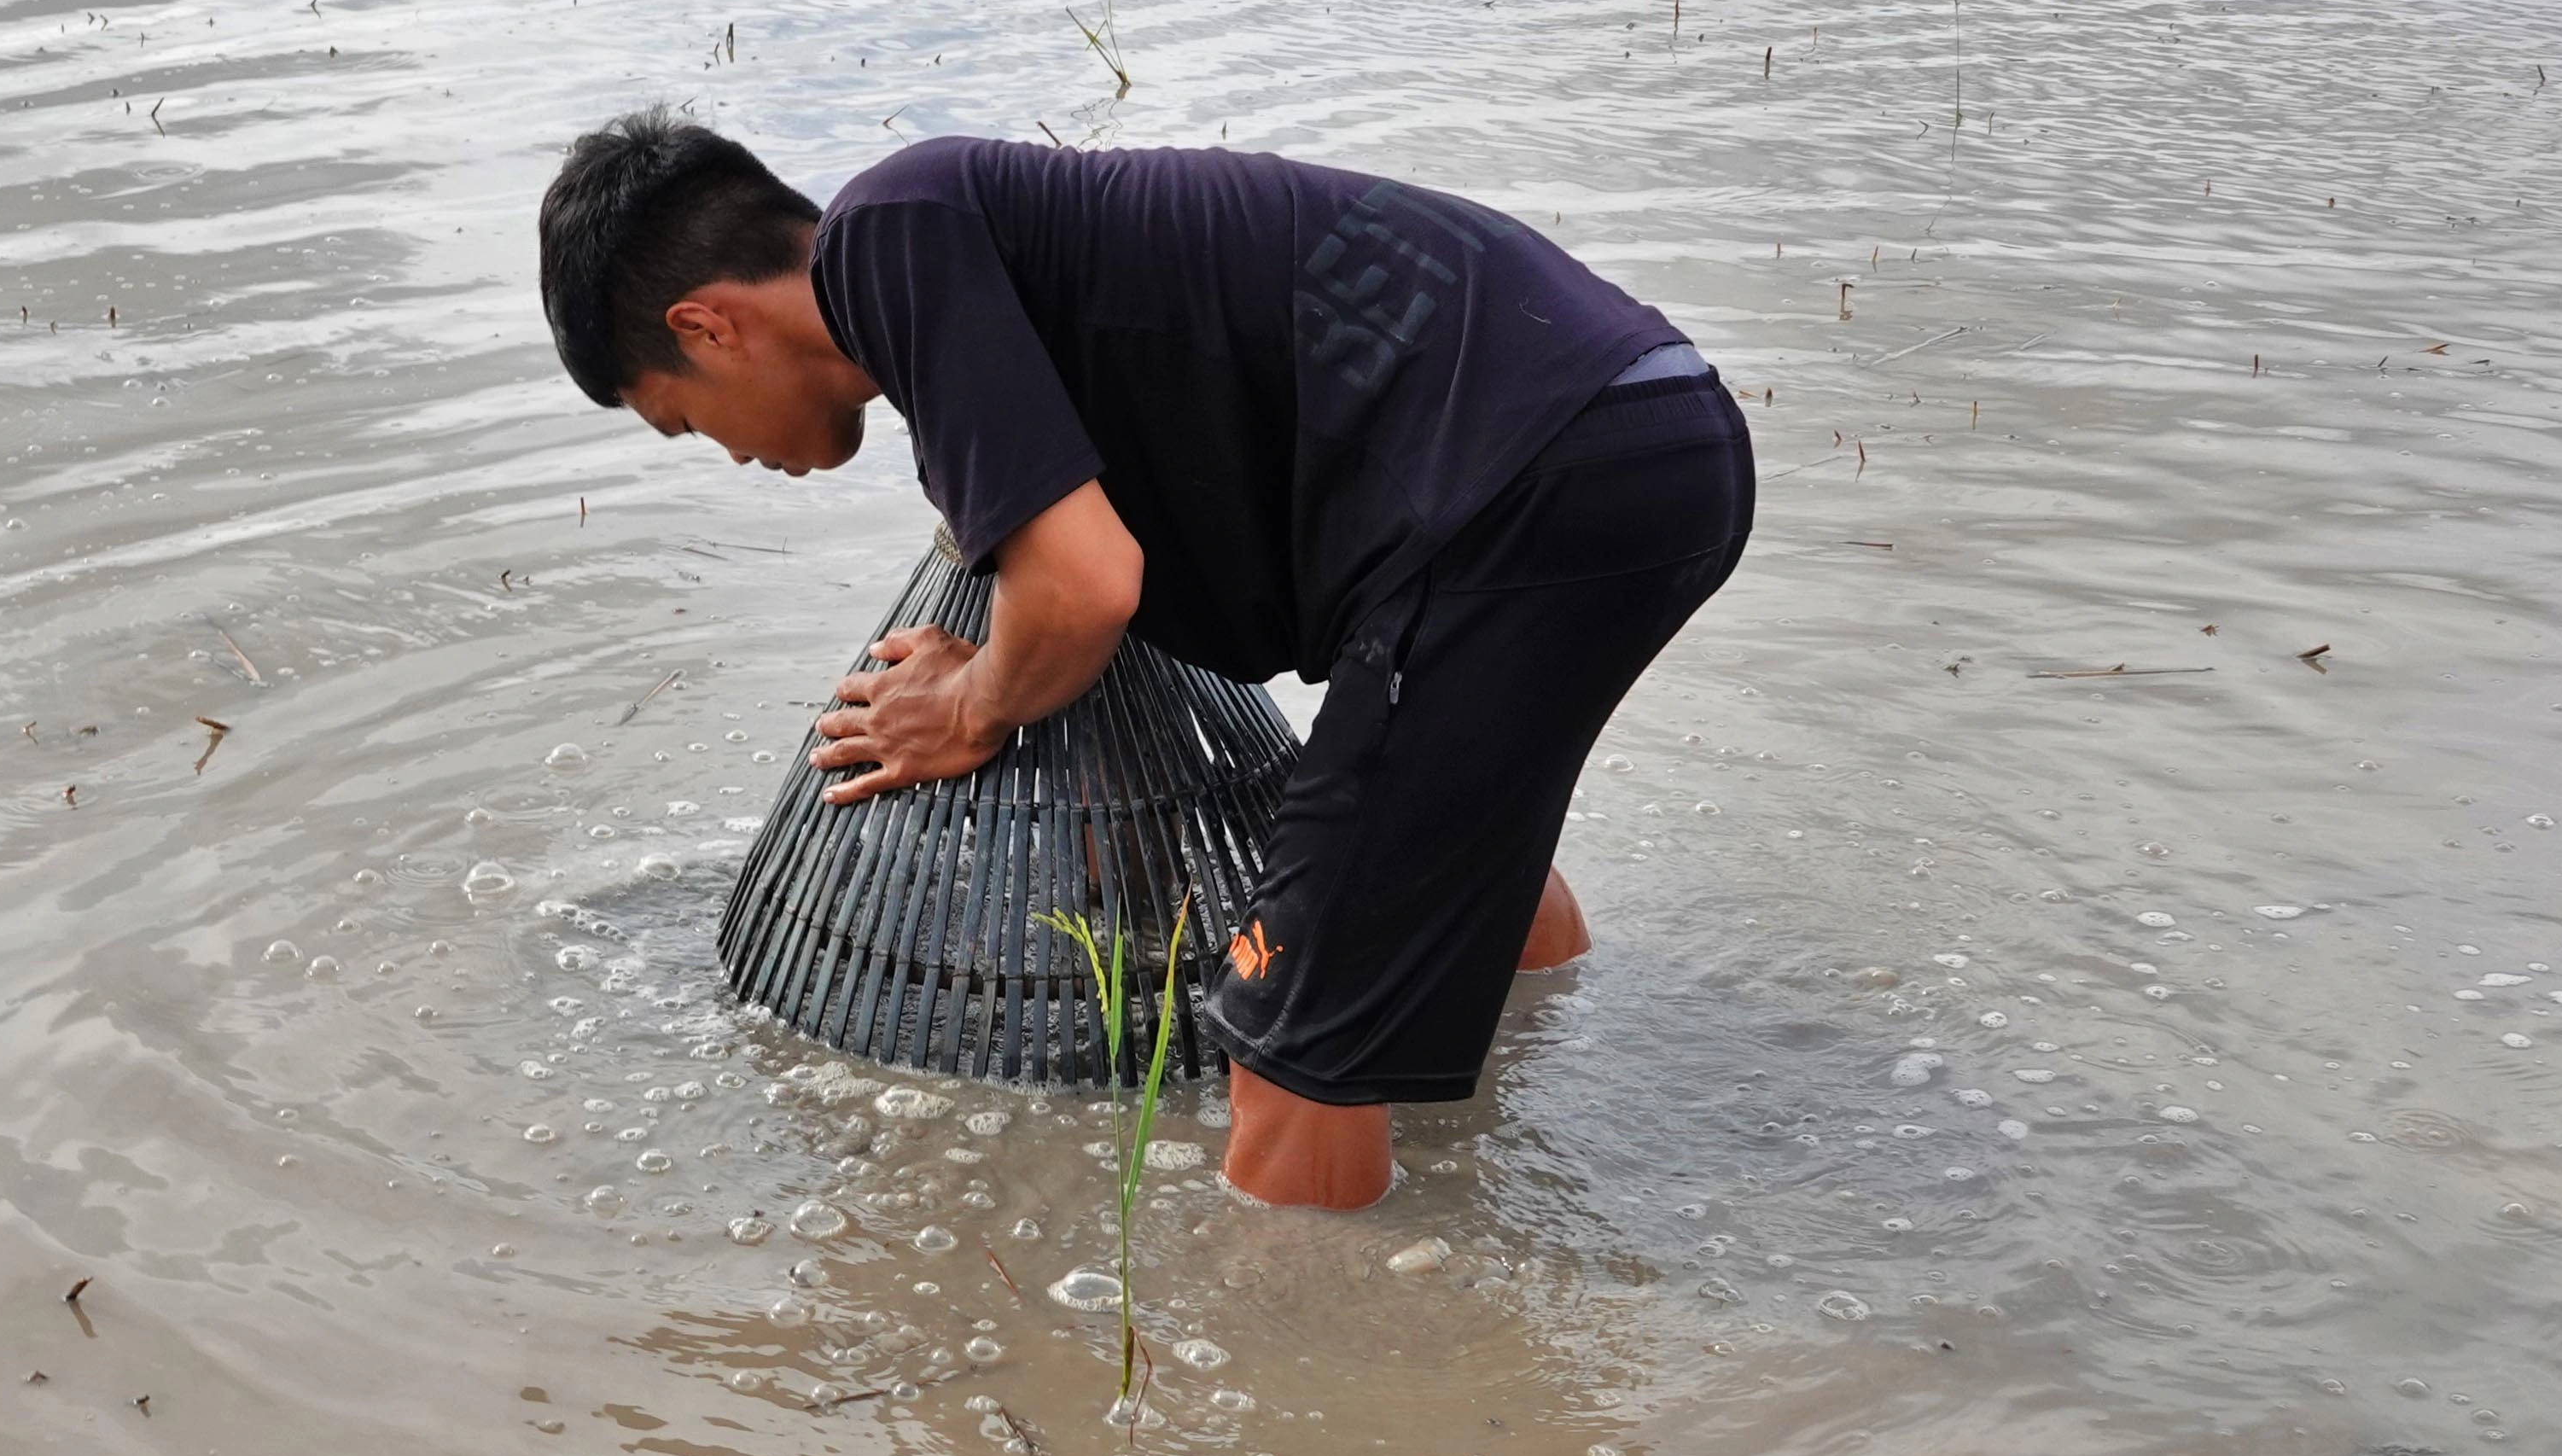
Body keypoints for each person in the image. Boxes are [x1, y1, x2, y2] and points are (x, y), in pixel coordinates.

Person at [535, 109, 1751, 1209]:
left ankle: (1322, 1391)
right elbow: (1074, 541)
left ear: (707, 327)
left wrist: (971, 701)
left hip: (1525, 486)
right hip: (1644, 428)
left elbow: (1083, 584)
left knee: (1284, 1054)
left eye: (683, 418)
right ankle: (1528, 1092)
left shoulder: (887, 236)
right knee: (1440, 869)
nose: (728, 453)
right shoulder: (964, 255)